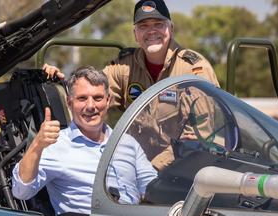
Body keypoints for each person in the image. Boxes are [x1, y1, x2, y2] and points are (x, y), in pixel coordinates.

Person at [43, 0, 220, 171]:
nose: (151, 31)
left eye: (158, 24)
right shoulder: (125, 67)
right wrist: (59, 82)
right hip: (136, 165)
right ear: (135, 34)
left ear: (171, 29)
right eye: (143, 26)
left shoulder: (194, 71)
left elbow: (197, 140)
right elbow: (91, 90)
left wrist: (147, 171)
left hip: (182, 169)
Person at [11, 66, 157, 216]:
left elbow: (154, 189)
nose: (90, 106)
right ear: (69, 103)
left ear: (108, 101)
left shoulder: (127, 142)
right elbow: (21, 191)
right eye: (82, 98)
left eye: (97, 98)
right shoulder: (55, 145)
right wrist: (37, 145)